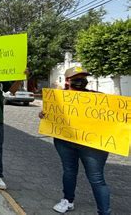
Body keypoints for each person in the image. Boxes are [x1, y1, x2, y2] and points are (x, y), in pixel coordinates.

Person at [39, 66, 111, 215]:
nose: (81, 81)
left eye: (83, 77)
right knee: (69, 171)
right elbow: (49, 115)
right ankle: (68, 200)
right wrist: (44, 115)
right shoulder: (57, 98)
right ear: (67, 80)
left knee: (96, 178)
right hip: (65, 142)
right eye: (77, 78)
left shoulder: (98, 97)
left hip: (91, 146)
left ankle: (104, 212)